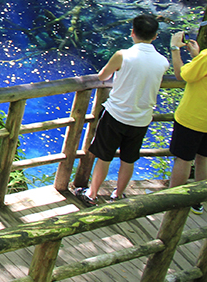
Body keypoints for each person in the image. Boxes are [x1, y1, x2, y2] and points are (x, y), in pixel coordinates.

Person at [74, 14, 169, 205]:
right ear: (156, 36)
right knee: (129, 159)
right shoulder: (163, 62)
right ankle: (118, 194)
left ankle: (91, 195)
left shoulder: (122, 55)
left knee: (104, 156)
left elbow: (102, 76)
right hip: (141, 118)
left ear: (132, 32)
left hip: (116, 114)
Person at [167, 29, 207, 213]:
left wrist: (175, 48)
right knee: (203, 159)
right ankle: (197, 201)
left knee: (183, 160)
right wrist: (197, 57)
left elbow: (181, 75)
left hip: (193, 117)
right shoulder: (203, 58)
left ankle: (172, 201)